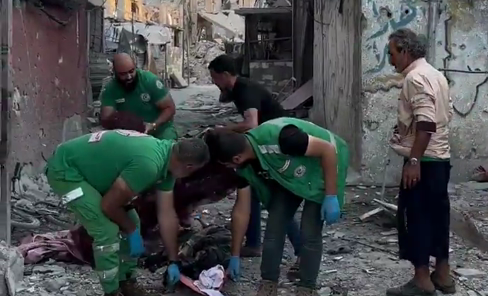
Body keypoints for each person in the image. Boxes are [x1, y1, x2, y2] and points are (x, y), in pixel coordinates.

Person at [45, 129, 210, 296]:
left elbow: (167, 215)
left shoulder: (168, 160)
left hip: (91, 171)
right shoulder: (149, 165)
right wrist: (131, 231)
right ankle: (111, 291)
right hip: (67, 170)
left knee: (133, 223)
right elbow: (109, 206)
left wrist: (173, 260)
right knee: (106, 231)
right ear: (189, 166)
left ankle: (126, 281)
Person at [204, 117, 349, 296]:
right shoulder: (246, 165)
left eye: (227, 164)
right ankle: (268, 283)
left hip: (323, 168)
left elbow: (328, 149)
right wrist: (235, 255)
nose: (229, 168)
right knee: (274, 228)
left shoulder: (284, 138)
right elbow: (242, 210)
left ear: (236, 158)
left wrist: (331, 195)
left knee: (310, 233)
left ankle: (306, 288)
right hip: (291, 175)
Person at [208, 54, 302, 267]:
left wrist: (223, 129)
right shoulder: (241, 90)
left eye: (215, 78)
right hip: (266, 146)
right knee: (252, 195)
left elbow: (251, 123)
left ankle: (301, 250)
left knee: (275, 200)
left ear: (224, 75)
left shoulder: (244, 91)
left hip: (275, 149)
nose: (214, 83)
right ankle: (252, 243)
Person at [386, 28, 454, 296]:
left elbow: (426, 122)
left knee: (416, 217)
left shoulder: (415, 78)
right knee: (439, 216)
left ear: (405, 51)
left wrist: (414, 159)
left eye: (392, 54)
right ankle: (443, 275)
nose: (391, 61)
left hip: (424, 159)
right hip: (440, 158)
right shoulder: (436, 74)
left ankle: (422, 280)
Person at [100, 53, 178, 140]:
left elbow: (169, 108)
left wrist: (153, 125)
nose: (129, 77)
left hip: (159, 130)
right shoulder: (110, 89)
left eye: (131, 71)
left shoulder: (150, 81)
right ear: (115, 73)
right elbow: (106, 118)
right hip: (131, 134)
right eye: (123, 74)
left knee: (169, 147)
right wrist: (122, 121)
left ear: (135, 67)